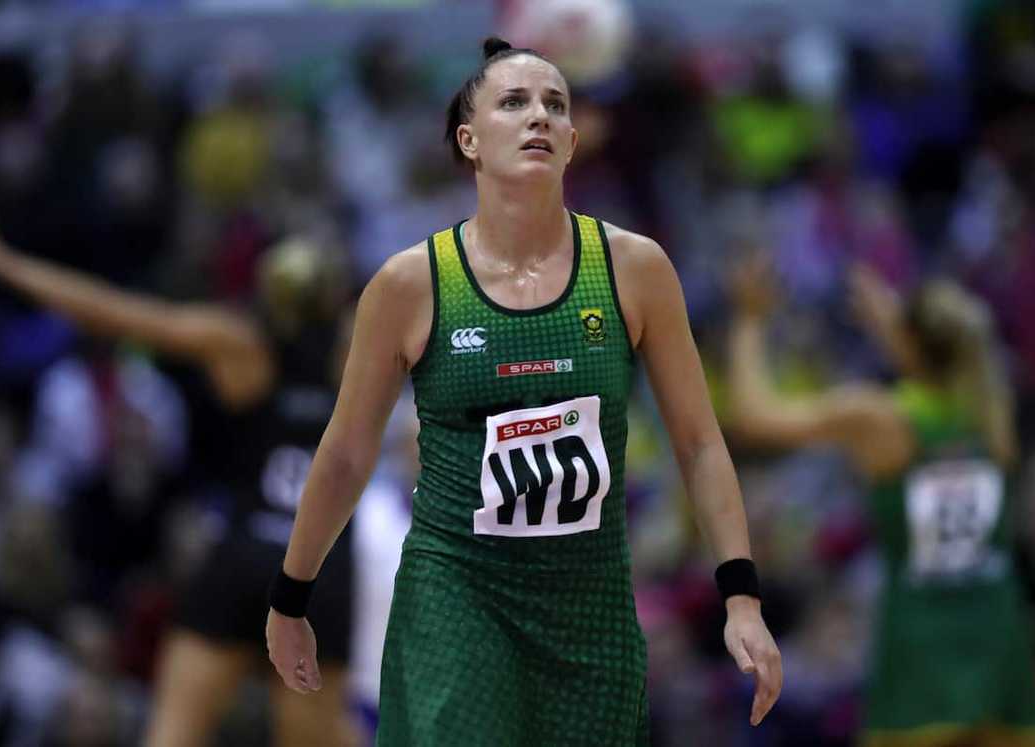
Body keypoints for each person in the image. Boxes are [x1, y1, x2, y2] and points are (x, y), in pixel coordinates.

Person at [265, 37, 782, 745]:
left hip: (589, 599)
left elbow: (699, 441)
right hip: (459, 594)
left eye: (555, 104)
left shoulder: (634, 267)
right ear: (468, 139)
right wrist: (290, 598)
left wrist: (741, 597)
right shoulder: (409, 283)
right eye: (514, 102)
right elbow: (348, 453)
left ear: (572, 141)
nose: (538, 115)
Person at [0, 199, 359, 747]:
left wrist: (3, 262)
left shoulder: (239, 343)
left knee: (171, 735)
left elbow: (114, 312)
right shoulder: (359, 350)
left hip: (243, 553)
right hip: (320, 574)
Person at [727, 260, 1035, 747]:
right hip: (999, 633)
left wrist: (750, 319)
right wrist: (895, 326)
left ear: (912, 341)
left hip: (921, 641)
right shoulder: (992, 409)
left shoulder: (879, 418)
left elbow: (755, 416)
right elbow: (942, 360)